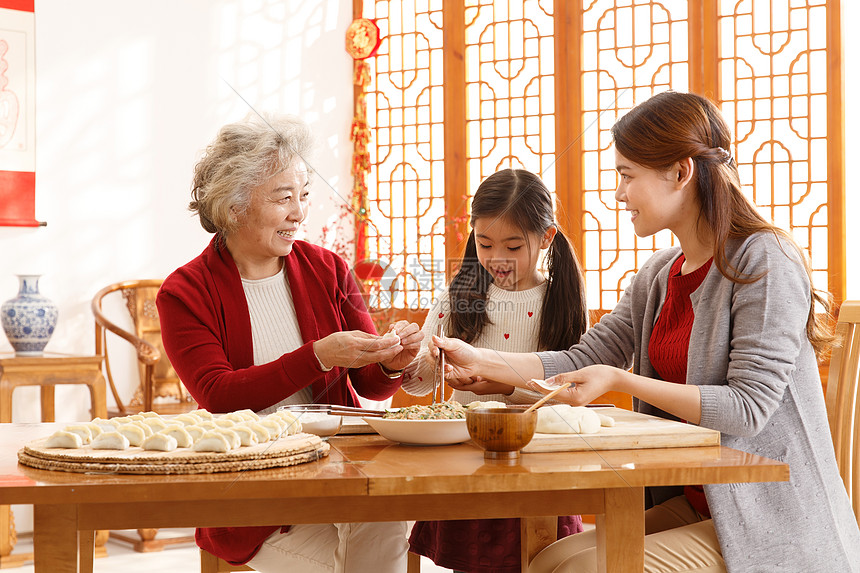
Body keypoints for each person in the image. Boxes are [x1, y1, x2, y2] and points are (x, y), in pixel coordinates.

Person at [428, 92, 860, 572]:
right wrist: (479, 360)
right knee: (549, 559)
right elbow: (582, 358)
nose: (618, 193)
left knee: (576, 569)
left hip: (771, 514)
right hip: (705, 503)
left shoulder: (763, 259)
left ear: (680, 172)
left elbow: (749, 408)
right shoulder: (659, 273)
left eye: (626, 175)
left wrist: (621, 381)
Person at [156, 113, 422, 573]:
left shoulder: (329, 269)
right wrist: (317, 357)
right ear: (235, 206)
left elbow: (371, 389)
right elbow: (218, 394)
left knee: (385, 518)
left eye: (304, 196)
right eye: (284, 199)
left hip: (338, 470)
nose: (300, 212)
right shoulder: (185, 292)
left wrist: (391, 363)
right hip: (255, 493)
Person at [401, 168, 588, 573]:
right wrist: (413, 362)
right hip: (464, 463)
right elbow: (418, 388)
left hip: (538, 466)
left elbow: (568, 392)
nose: (496, 258)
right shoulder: (461, 295)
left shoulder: (561, 301)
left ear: (547, 237)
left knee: (544, 562)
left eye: (513, 246)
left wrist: (502, 386)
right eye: (484, 244)